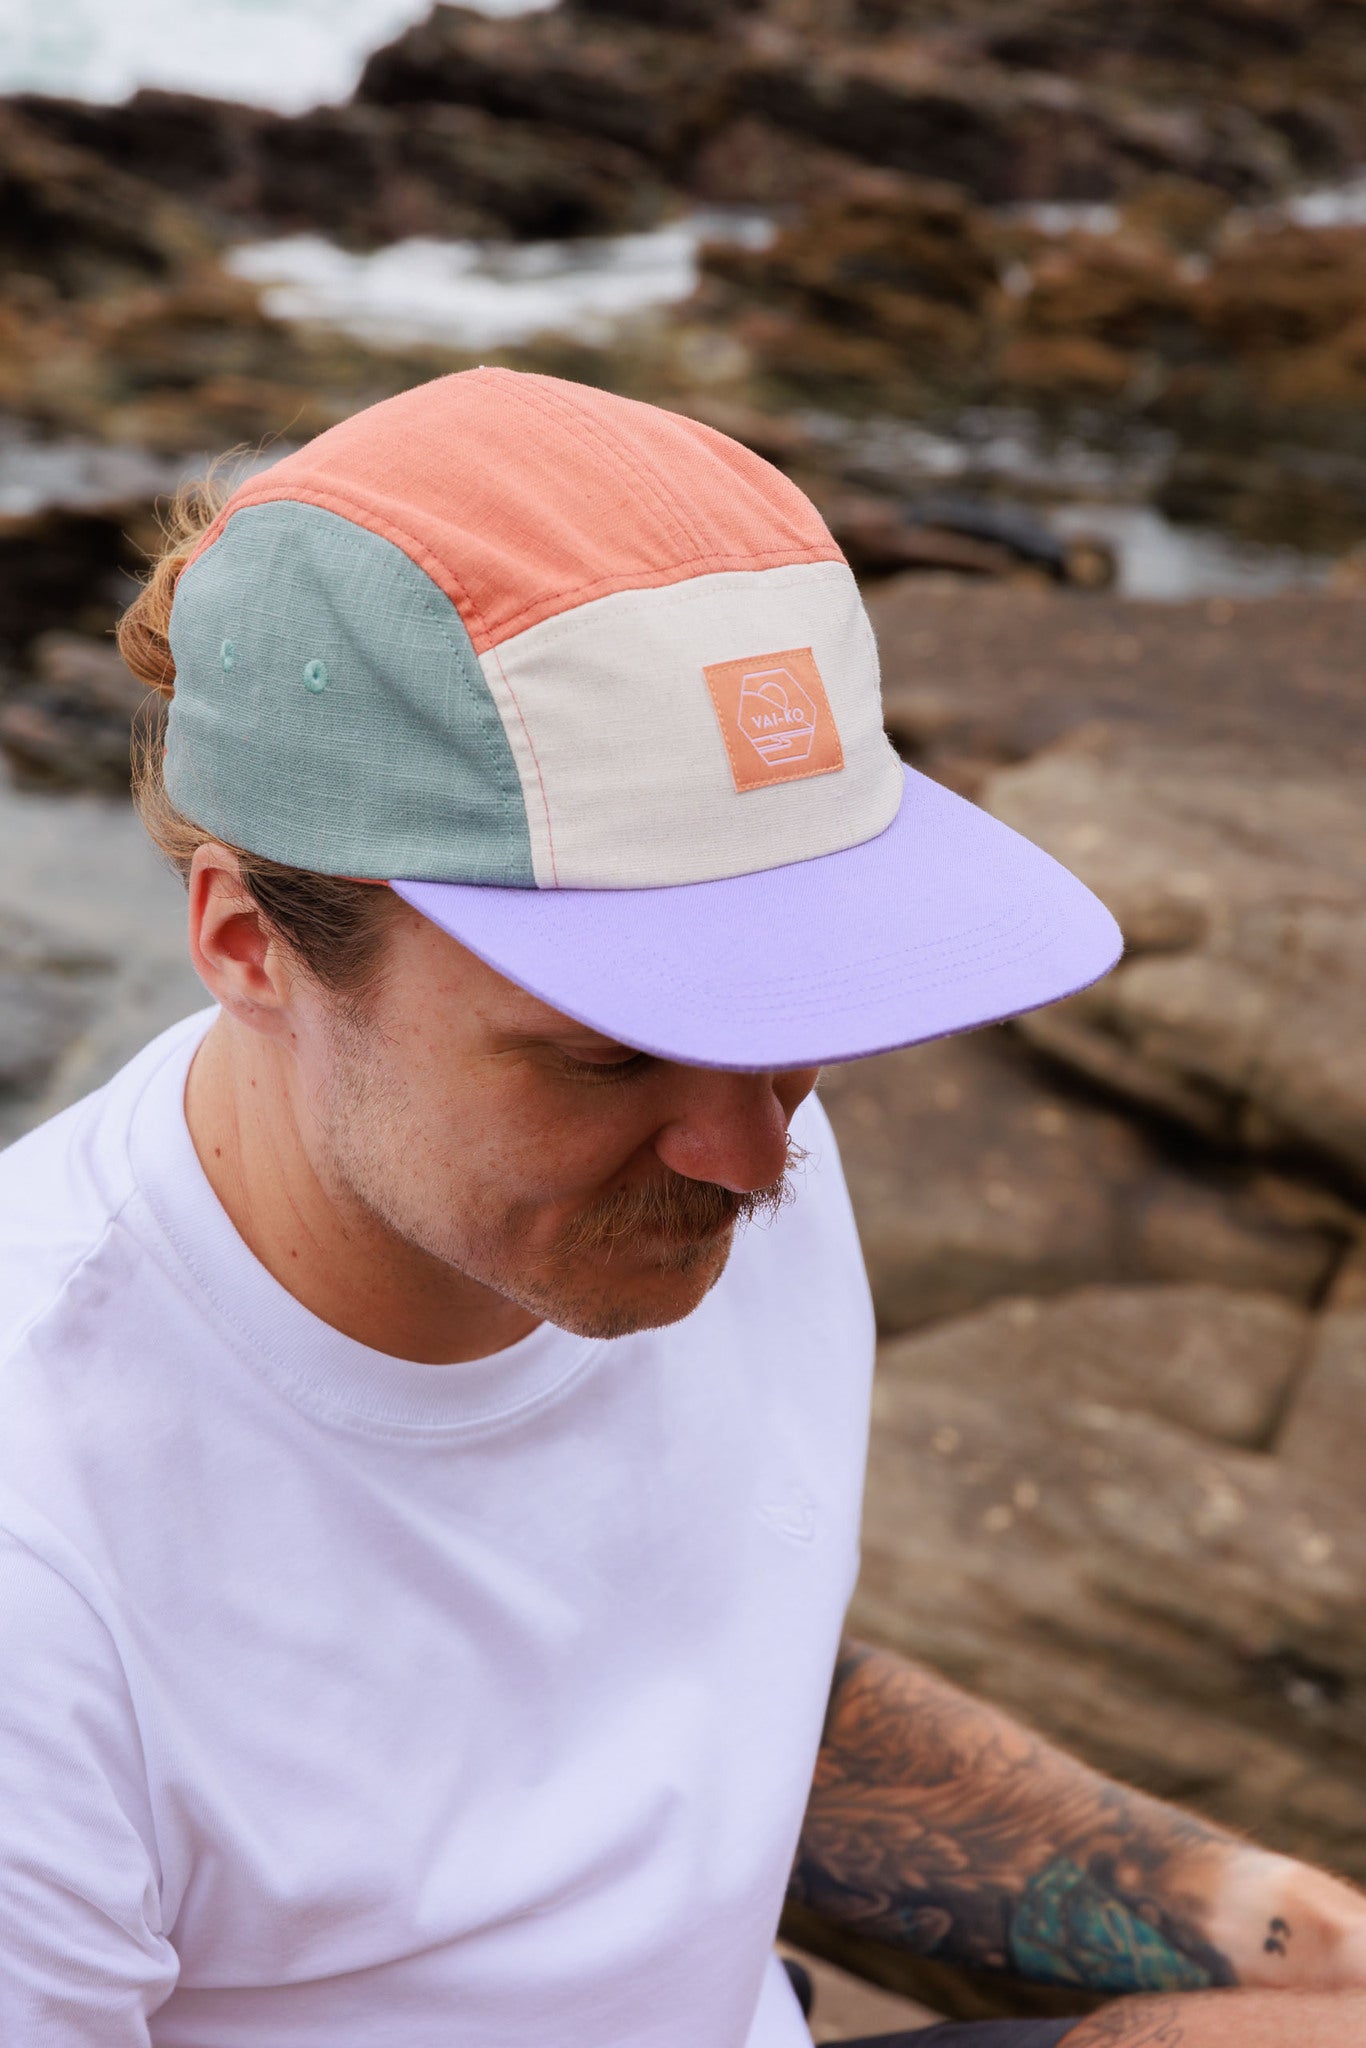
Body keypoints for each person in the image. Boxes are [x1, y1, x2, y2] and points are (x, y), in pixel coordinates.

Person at [0, 369, 1362, 2048]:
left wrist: (1251, 1919)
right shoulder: (43, 1543)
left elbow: (703, 1670)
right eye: (603, 1053)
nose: (745, 1150)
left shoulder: (726, 1135)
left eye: (789, 1010)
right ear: (242, 943)